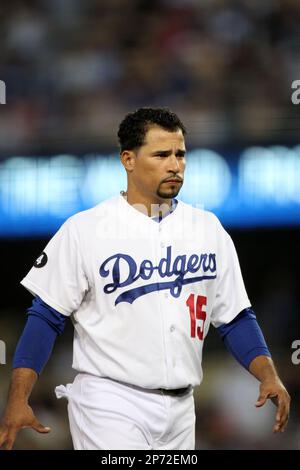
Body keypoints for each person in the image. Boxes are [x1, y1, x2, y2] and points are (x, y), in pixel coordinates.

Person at [0, 108, 290, 450]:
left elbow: (235, 317)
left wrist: (268, 374)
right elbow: (45, 318)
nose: (174, 165)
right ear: (129, 159)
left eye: (180, 154)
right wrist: (18, 397)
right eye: (161, 154)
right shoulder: (85, 229)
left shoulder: (208, 228)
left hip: (183, 405)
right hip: (110, 400)